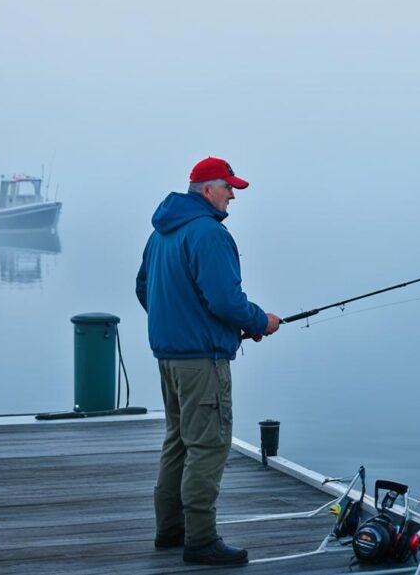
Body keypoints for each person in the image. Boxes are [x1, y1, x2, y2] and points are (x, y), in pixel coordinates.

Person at [135, 156, 280, 565]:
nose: (233, 196)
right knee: (208, 446)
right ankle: (200, 541)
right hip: (202, 362)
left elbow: (144, 289)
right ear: (207, 190)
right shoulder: (208, 234)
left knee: (178, 443)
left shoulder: (161, 233)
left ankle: (170, 532)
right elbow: (225, 300)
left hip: (169, 357)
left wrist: (184, 323)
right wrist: (261, 321)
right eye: (229, 187)